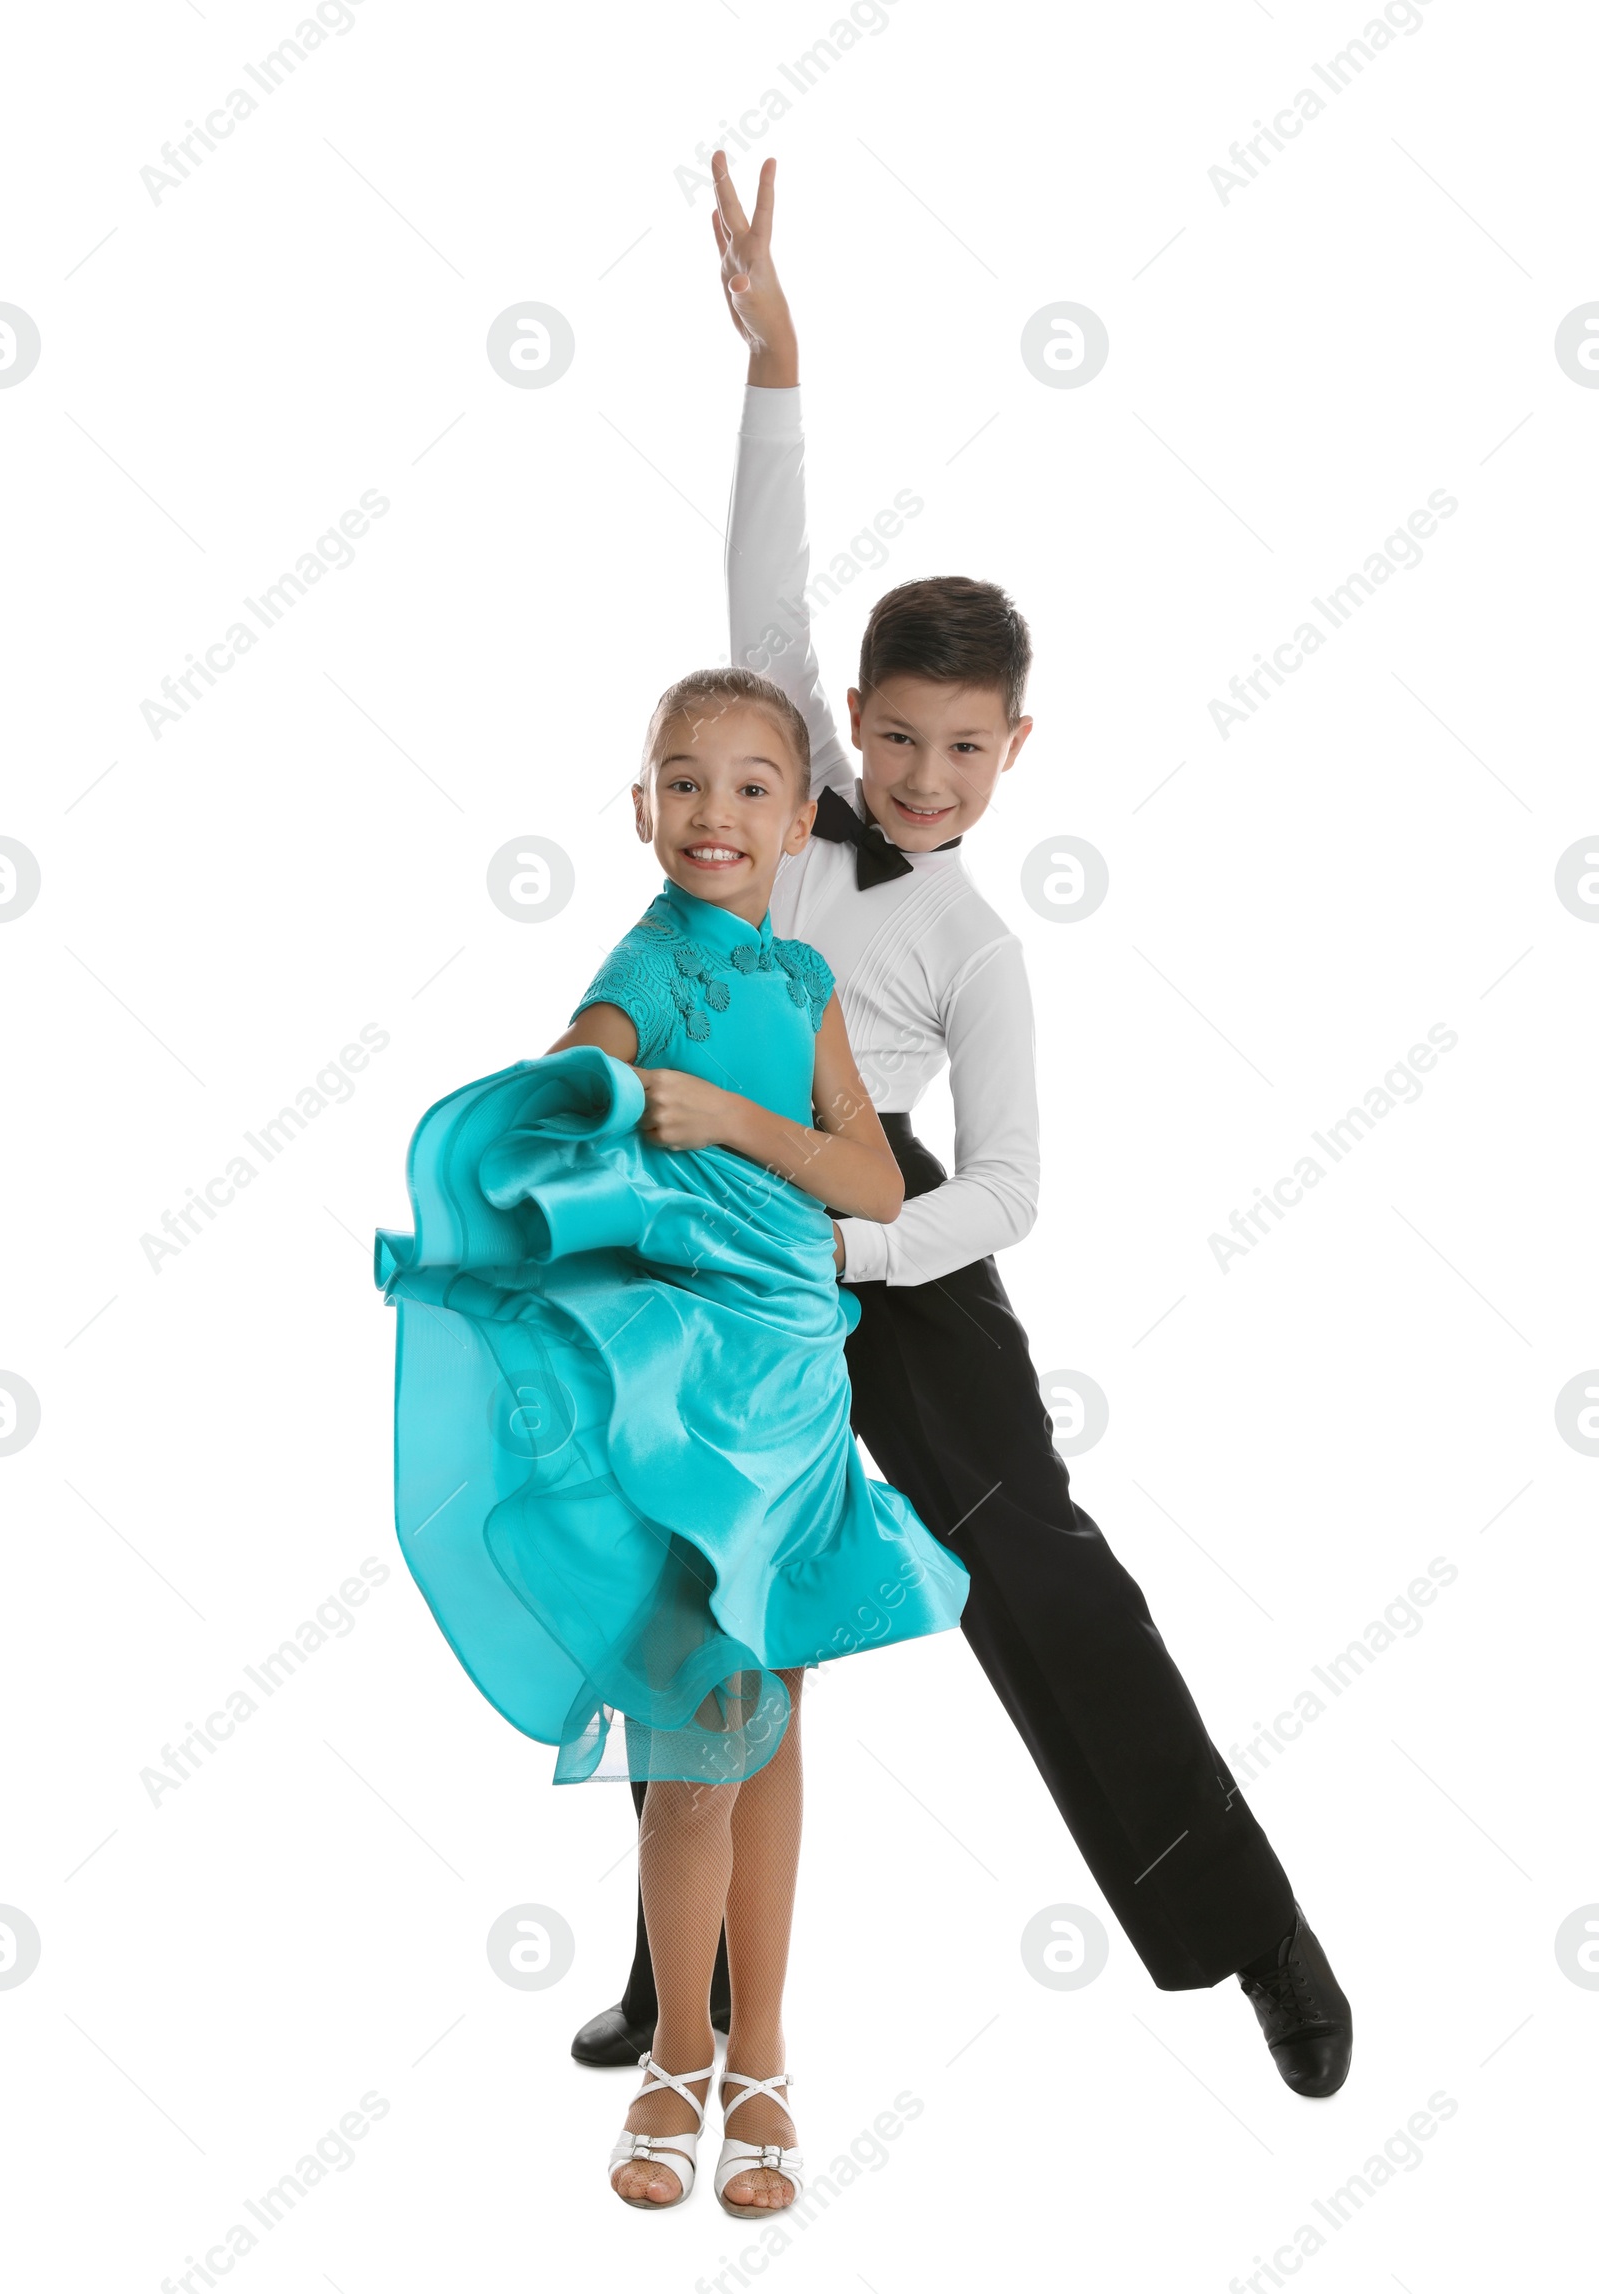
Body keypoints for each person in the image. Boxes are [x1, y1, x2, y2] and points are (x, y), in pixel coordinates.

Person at [570, 150, 1352, 2099]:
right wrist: (774, 361)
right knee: (691, 1576)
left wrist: (854, 1242)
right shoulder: (787, 790)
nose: (915, 780)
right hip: (710, 1200)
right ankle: (690, 1992)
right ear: (848, 718)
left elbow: (1006, 1185)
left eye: (959, 751)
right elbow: (759, 574)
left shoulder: (979, 952)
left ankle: (1244, 1920)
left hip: (883, 1234)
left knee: (1038, 1568)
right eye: (889, 739)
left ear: (1018, 750)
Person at [374, 666, 970, 2213]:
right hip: (692, 1396)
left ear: (799, 817)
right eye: (683, 782)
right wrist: (604, 1090)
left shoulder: (807, 988)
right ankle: (681, 2052)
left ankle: (763, 2046)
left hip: (794, 1382)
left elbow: (880, 1182)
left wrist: (724, 1119)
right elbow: (587, 1065)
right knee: (703, 1739)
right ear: (642, 811)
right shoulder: (647, 960)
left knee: (770, 1719)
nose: (716, 812)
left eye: (752, 786)